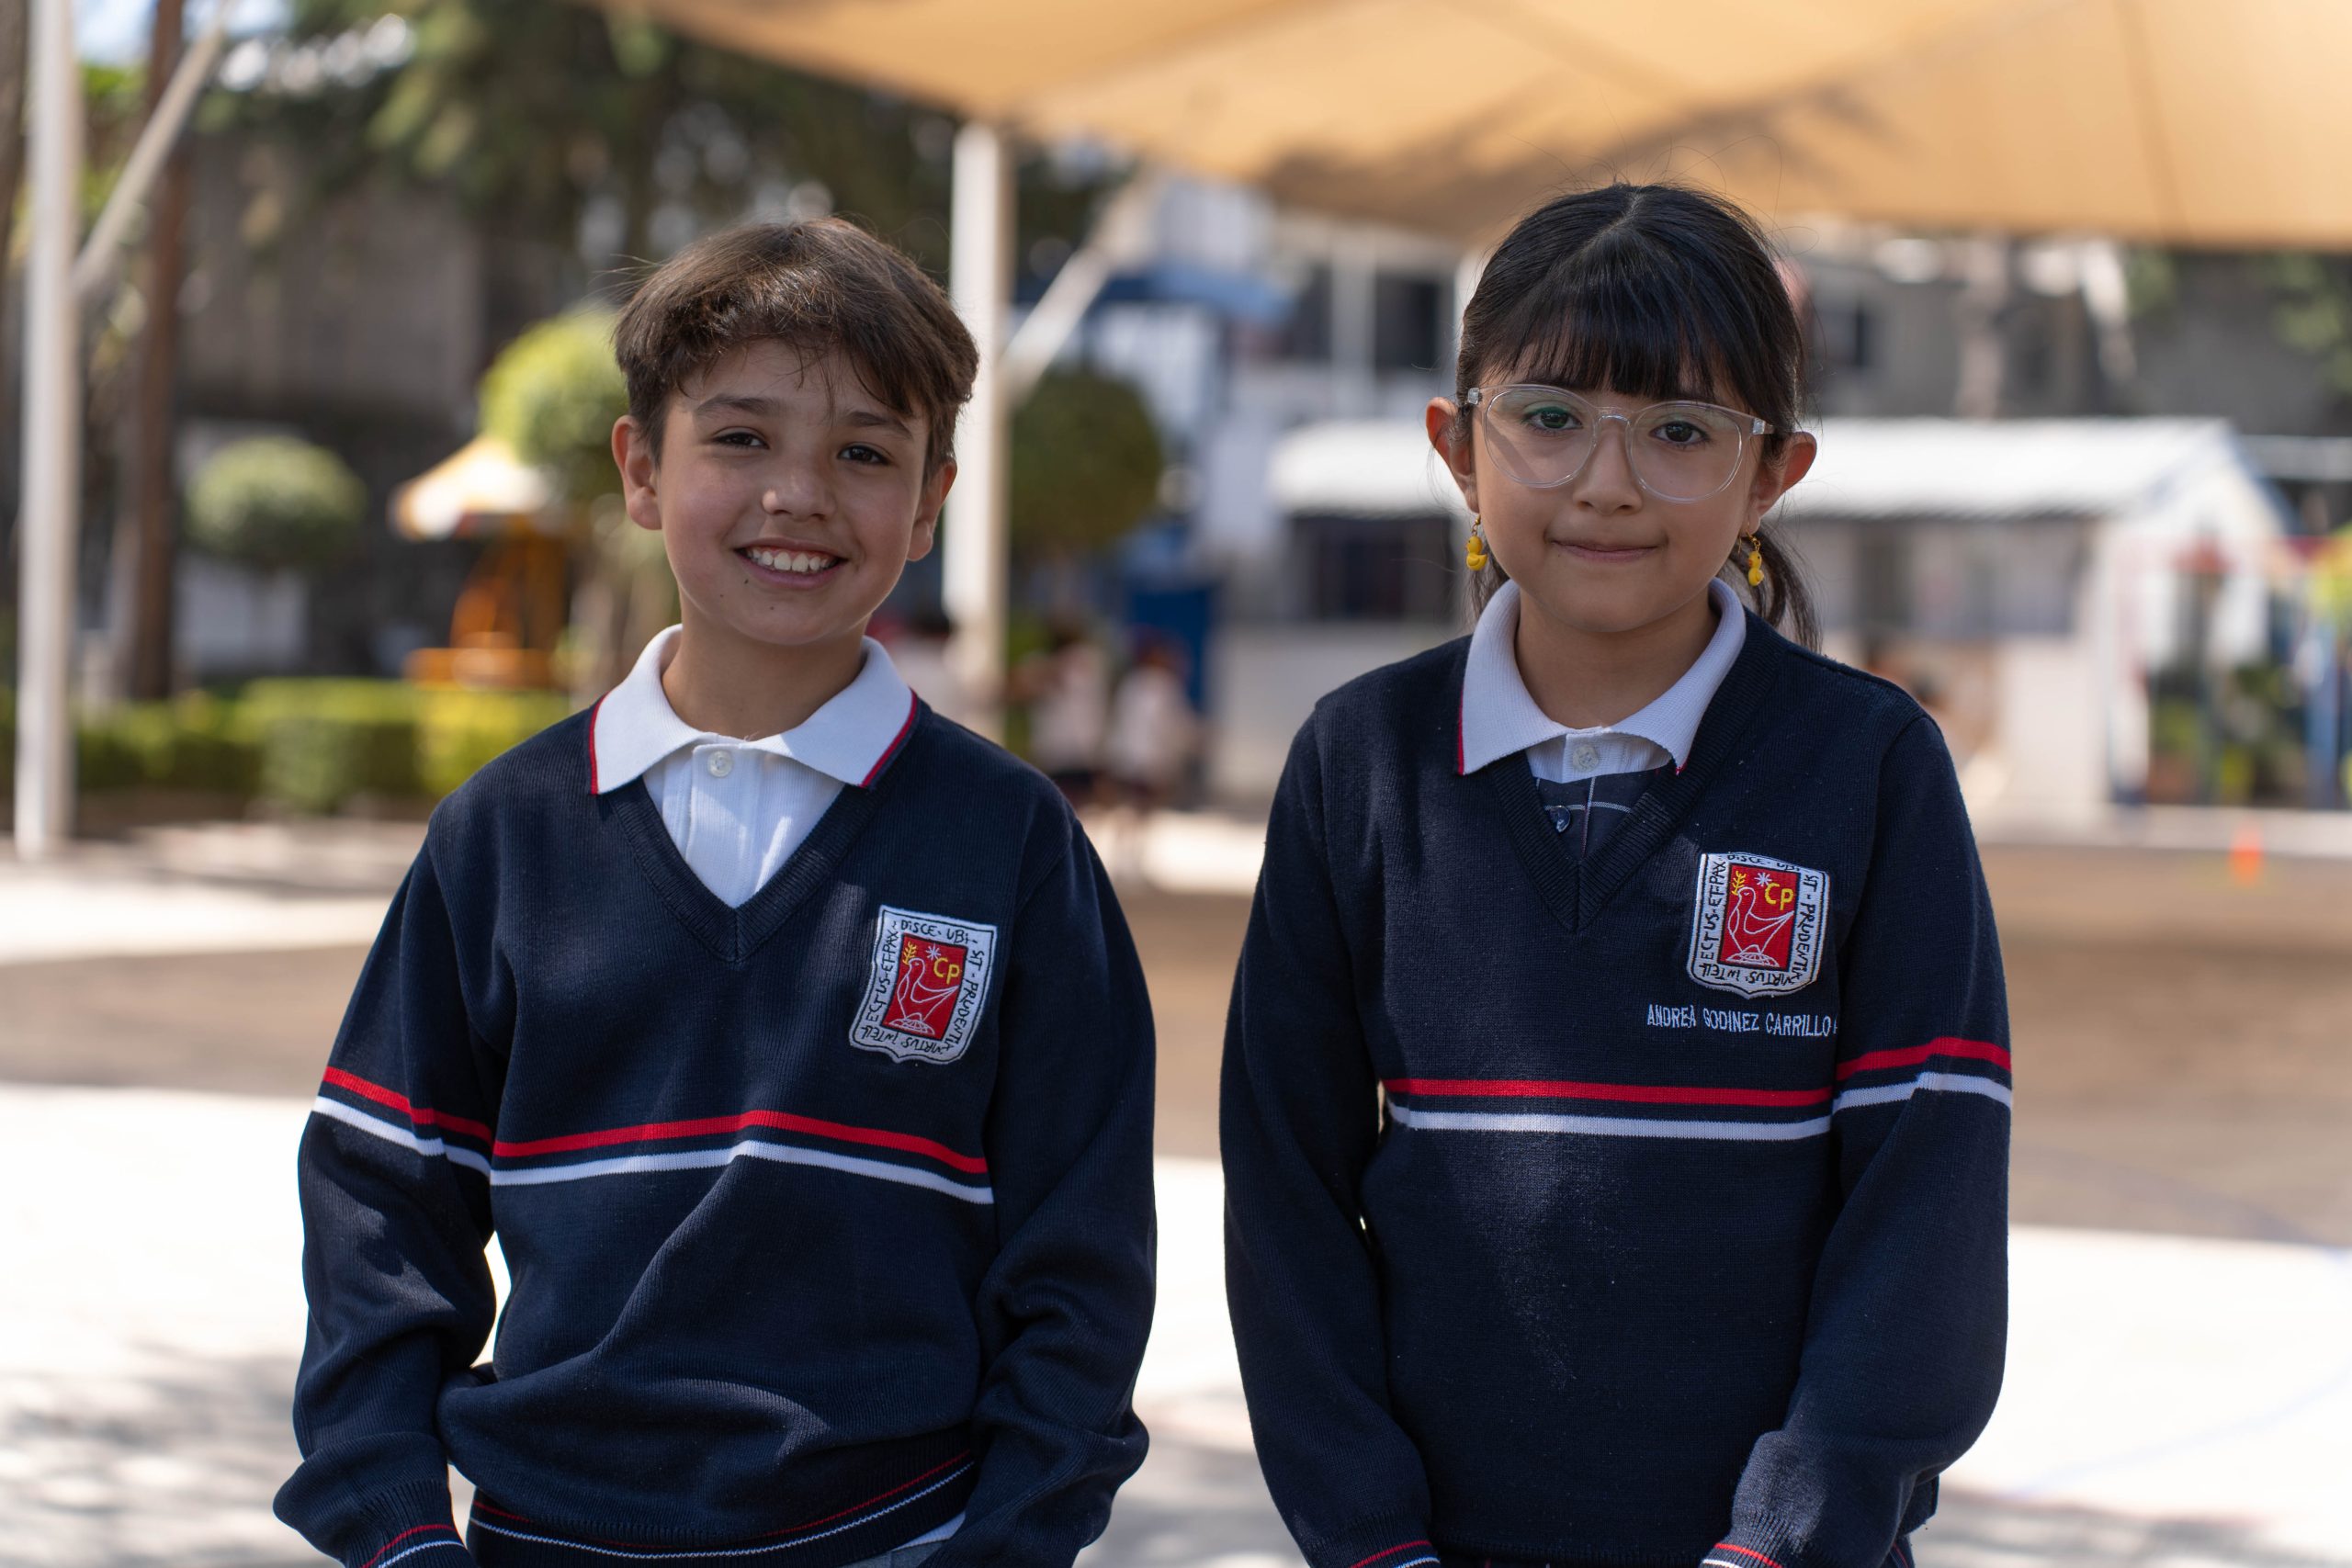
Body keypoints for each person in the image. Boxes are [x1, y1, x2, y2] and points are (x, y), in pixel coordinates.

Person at [276, 219, 1157, 1568]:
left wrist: (1010, 1541)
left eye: (866, 453)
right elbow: (382, 1211)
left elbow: (1080, 1256)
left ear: (929, 504)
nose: (799, 494)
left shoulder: (1014, 846)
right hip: (544, 1536)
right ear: (641, 468)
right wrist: (398, 1531)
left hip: (904, 1538)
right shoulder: (502, 837)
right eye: (739, 439)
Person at [1221, 183, 2008, 1568]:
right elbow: (1286, 1197)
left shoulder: (1871, 770)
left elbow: (1923, 1220)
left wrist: (1780, 1543)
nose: (1606, 480)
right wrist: (1370, 1540)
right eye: (1548, 416)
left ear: (1774, 474)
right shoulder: (1361, 764)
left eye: (1681, 432)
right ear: (1459, 444)